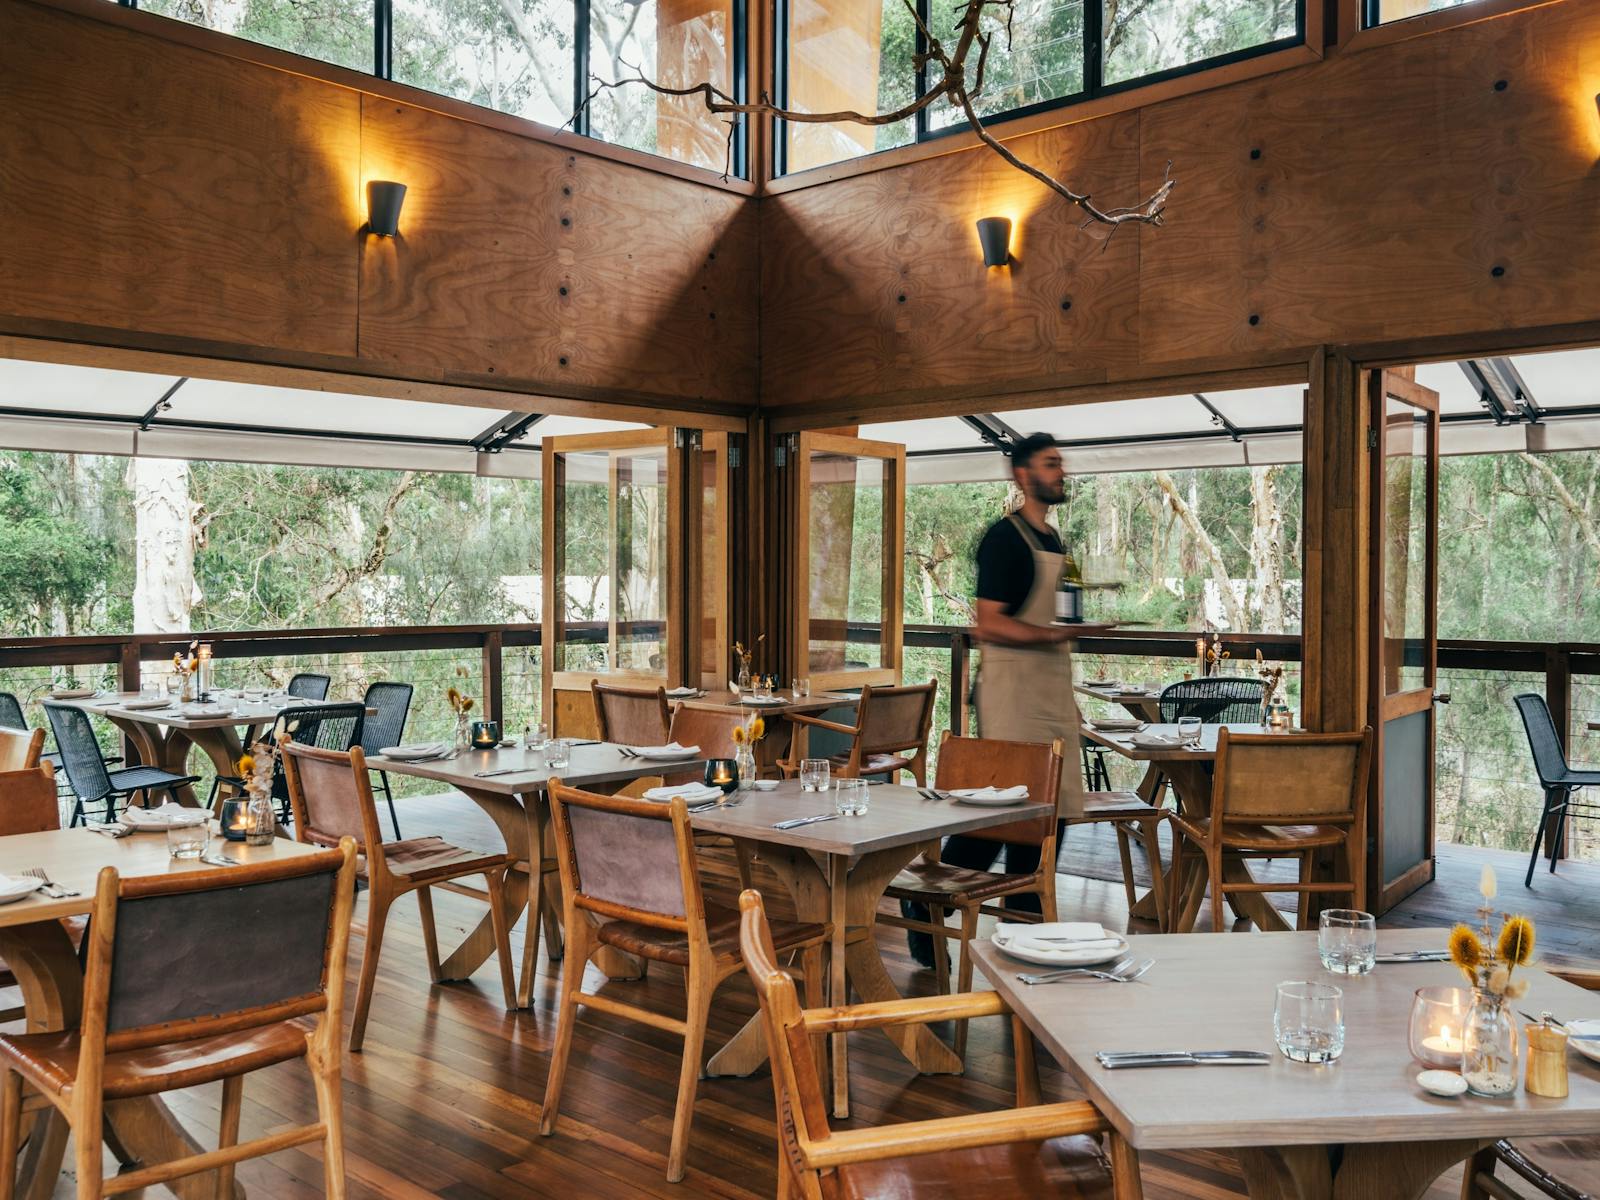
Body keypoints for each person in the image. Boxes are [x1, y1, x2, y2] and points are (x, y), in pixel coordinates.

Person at [904, 432, 1104, 968]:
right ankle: (927, 907)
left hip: (1050, 691)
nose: (1061, 472)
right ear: (1023, 475)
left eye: (1061, 463)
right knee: (1003, 817)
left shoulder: (1055, 541)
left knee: (1049, 820)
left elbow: (1062, 615)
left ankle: (1024, 936)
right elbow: (988, 623)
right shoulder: (1003, 539)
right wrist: (1054, 637)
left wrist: (1072, 635)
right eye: (1051, 464)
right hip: (1013, 695)